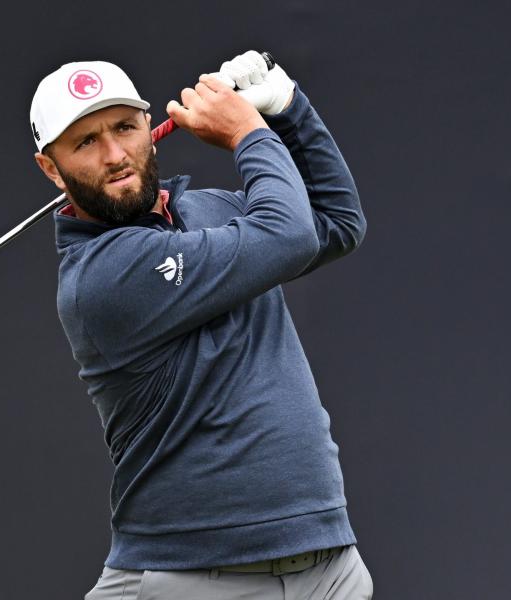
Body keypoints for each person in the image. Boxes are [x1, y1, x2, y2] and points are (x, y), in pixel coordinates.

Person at [30, 50, 372, 599]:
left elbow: (333, 222)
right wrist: (250, 133)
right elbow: (288, 235)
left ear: (150, 127)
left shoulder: (210, 213)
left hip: (328, 568)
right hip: (192, 577)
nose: (116, 154)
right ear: (52, 167)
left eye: (124, 127)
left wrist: (288, 107)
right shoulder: (103, 276)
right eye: (86, 142)